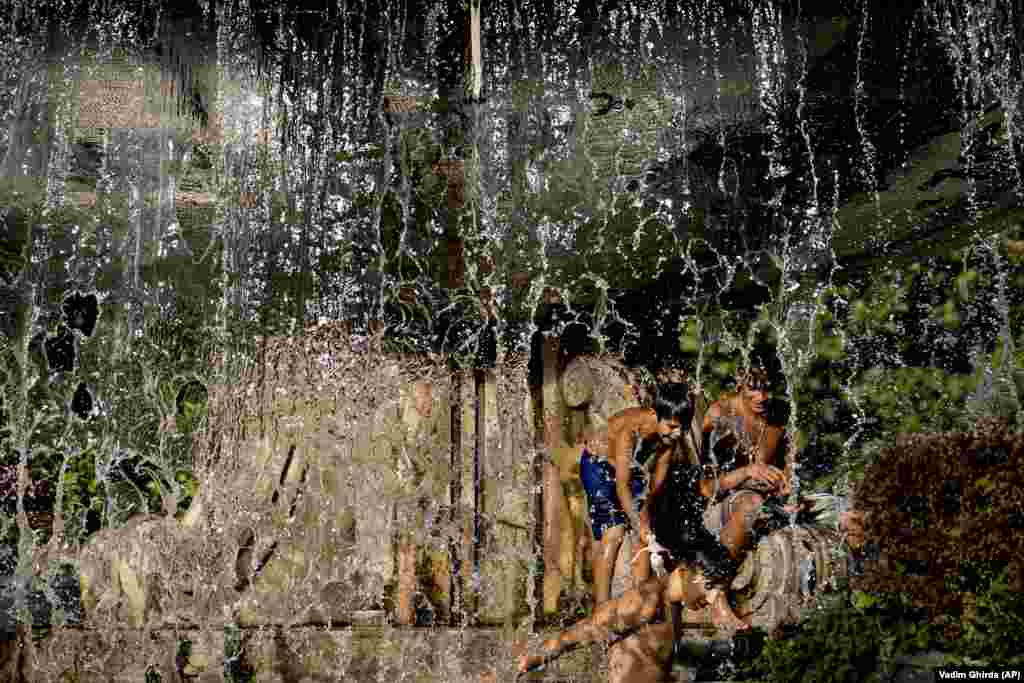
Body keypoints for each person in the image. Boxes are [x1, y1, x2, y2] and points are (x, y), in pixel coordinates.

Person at [518, 449, 750, 681]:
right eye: (709, 587)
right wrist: (535, 659)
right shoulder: (645, 603)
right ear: (684, 570)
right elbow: (579, 634)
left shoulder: (672, 603)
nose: (711, 597)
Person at [579, 382, 694, 605]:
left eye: (683, 428)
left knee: (647, 529)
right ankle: (600, 609)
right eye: (672, 426)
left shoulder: (668, 440)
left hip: (628, 468)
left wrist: (644, 517)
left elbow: (655, 487)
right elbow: (621, 486)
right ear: (654, 414)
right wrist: (634, 519)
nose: (678, 434)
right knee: (615, 532)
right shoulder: (629, 432)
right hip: (598, 464)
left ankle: (639, 600)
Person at [701, 366, 792, 565]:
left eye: (767, 389)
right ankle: (715, 576)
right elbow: (706, 489)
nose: (761, 397)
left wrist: (789, 491)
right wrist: (747, 471)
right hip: (722, 506)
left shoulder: (781, 416)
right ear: (739, 383)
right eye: (753, 389)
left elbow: (790, 469)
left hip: (768, 503)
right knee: (752, 503)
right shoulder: (720, 416)